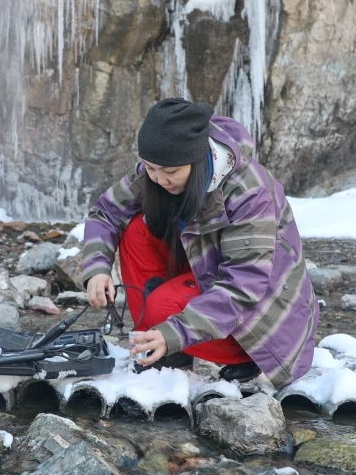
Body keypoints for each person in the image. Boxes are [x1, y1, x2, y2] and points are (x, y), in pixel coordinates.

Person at [82, 98, 319, 388]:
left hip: (260, 320)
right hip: (207, 272)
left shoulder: (249, 193)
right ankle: (157, 345)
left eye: (170, 172)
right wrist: (97, 268)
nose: (159, 179)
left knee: (162, 308)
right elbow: (106, 212)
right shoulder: (159, 167)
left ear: (197, 160)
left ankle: (233, 356)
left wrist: (173, 331)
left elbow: (242, 288)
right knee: (135, 230)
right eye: (151, 169)